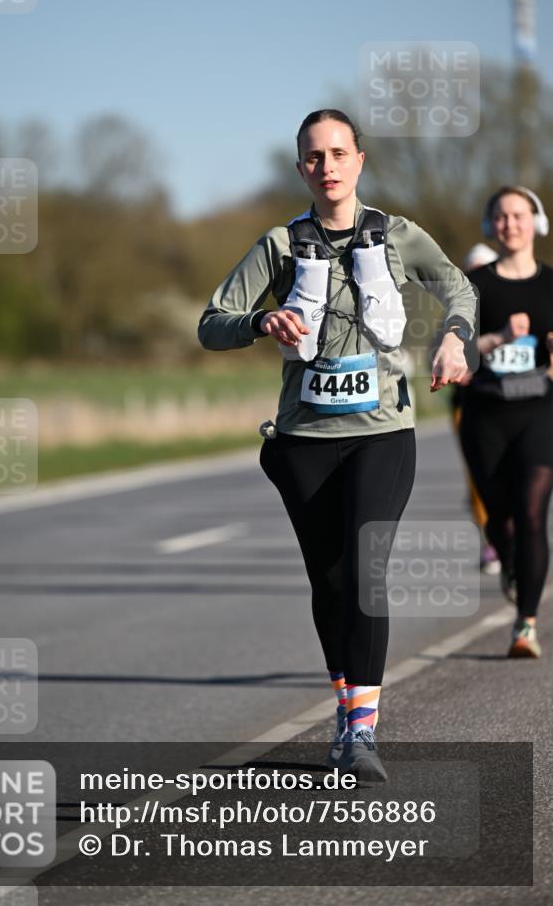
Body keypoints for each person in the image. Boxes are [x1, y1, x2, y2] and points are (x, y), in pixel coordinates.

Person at [198, 109, 476, 782]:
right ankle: (347, 713)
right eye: (313, 157)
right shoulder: (279, 245)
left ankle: (361, 731)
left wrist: (454, 337)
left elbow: (458, 287)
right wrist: (262, 320)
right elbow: (210, 324)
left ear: (359, 160)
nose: (326, 166)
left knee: (364, 572)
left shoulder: (397, 235)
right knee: (328, 582)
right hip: (304, 440)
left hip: (382, 433)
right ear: (301, 168)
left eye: (338, 153)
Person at [459, 186, 553, 658]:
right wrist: (497, 337)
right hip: (485, 414)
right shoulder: (474, 286)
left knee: (533, 514)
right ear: (489, 225)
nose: (510, 224)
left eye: (518, 215)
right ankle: (510, 560)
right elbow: (451, 351)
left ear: (535, 222)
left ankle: (526, 624)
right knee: (500, 519)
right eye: (501, 216)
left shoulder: (551, 283)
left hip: (540, 411)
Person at [452, 244, 501, 576]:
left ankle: (517, 536)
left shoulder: (512, 309)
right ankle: (491, 542)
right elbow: (435, 354)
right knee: (477, 478)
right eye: (473, 272)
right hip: (468, 407)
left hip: (510, 405)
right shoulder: (457, 312)